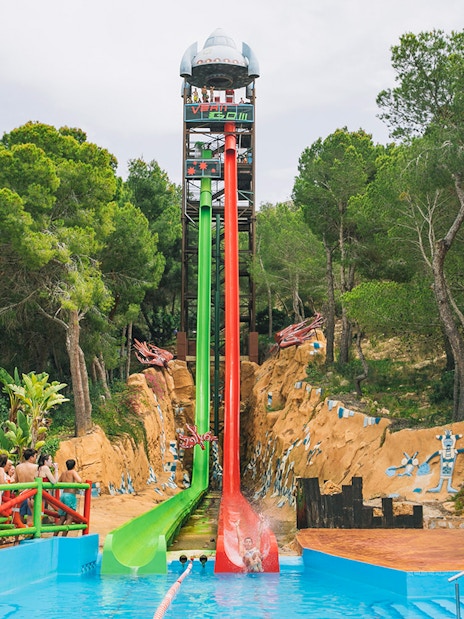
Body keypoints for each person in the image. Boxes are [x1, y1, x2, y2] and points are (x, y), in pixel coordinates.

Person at [56, 459, 82, 536]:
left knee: (62, 518)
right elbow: (79, 480)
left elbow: (58, 481)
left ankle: (55, 535)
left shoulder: (64, 473)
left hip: (63, 495)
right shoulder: (73, 472)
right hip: (70, 496)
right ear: (74, 466)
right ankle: (64, 536)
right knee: (70, 518)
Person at [15, 448, 38, 524]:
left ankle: (17, 535)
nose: (35, 458)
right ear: (31, 457)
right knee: (31, 518)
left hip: (21, 494)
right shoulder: (35, 467)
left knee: (20, 518)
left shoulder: (18, 467)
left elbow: (16, 480)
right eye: (35, 456)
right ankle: (30, 535)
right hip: (31, 495)